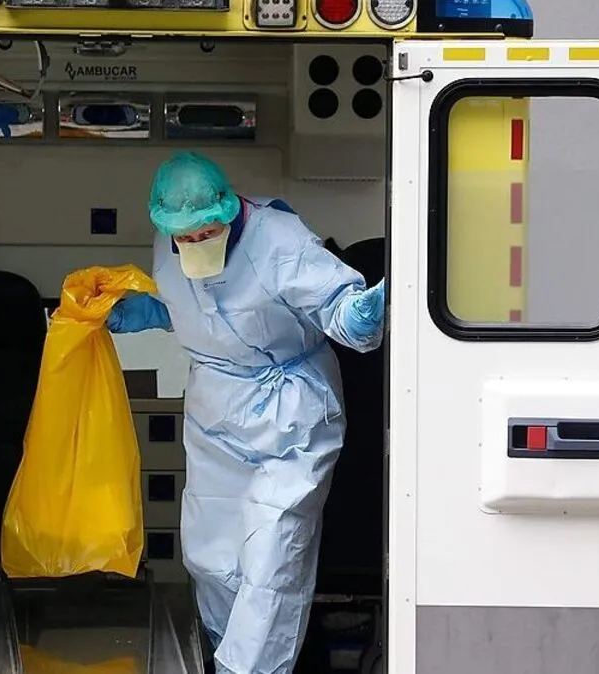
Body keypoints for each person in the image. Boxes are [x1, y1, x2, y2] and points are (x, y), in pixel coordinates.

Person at [107, 151, 386, 674]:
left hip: (291, 415)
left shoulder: (278, 239)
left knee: (272, 551)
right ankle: (221, 652)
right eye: (185, 237)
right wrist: (147, 311)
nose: (195, 243)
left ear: (228, 209)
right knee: (210, 554)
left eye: (206, 233)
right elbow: (193, 308)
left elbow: (335, 306)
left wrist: (358, 313)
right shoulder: (168, 243)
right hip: (216, 415)